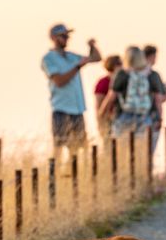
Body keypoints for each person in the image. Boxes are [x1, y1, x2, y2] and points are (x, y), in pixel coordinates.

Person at [41, 23, 101, 156]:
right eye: (63, 36)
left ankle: (78, 173)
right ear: (54, 38)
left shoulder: (72, 56)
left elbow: (96, 58)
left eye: (67, 36)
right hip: (61, 109)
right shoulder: (48, 59)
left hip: (77, 109)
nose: (66, 38)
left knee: (81, 148)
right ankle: (56, 174)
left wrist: (92, 46)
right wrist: (77, 67)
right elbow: (59, 81)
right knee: (60, 146)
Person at [100, 46, 158, 144]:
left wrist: (102, 112)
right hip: (144, 116)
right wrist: (158, 118)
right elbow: (158, 98)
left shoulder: (122, 74)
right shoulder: (149, 74)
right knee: (142, 149)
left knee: (120, 149)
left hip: (124, 116)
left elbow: (112, 96)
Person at [143, 44, 166, 153]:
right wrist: (159, 118)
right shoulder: (153, 75)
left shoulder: (132, 74)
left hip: (134, 118)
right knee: (149, 151)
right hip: (151, 117)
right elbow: (159, 98)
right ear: (151, 56)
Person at [94, 55, 122, 143]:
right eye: (120, 64)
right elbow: (98, 104)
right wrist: (100, 123)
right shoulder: (103, 82)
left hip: (120, 119)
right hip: (107, 120)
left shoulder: (123, 81)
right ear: (114, 66)